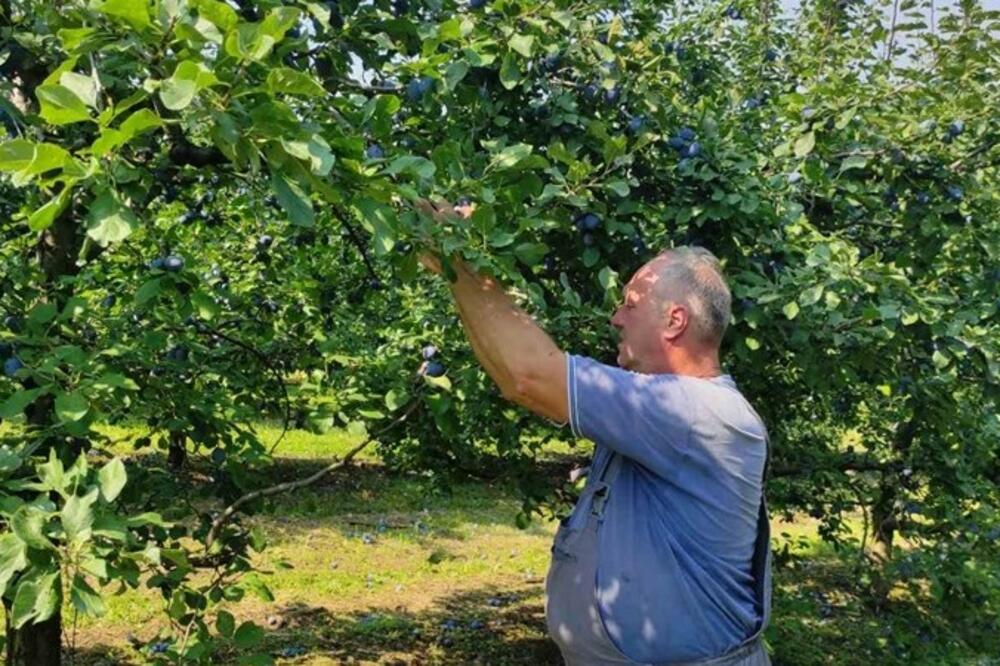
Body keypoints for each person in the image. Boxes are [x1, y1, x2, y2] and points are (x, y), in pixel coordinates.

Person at [414, 199, 772, 665]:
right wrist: (452, 267)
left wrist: (455, 257)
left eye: (631, 304)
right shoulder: (665, 408)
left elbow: (527, 375)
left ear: (674, 320)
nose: (616, 317)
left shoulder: (693, 413)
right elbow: (513, 373)